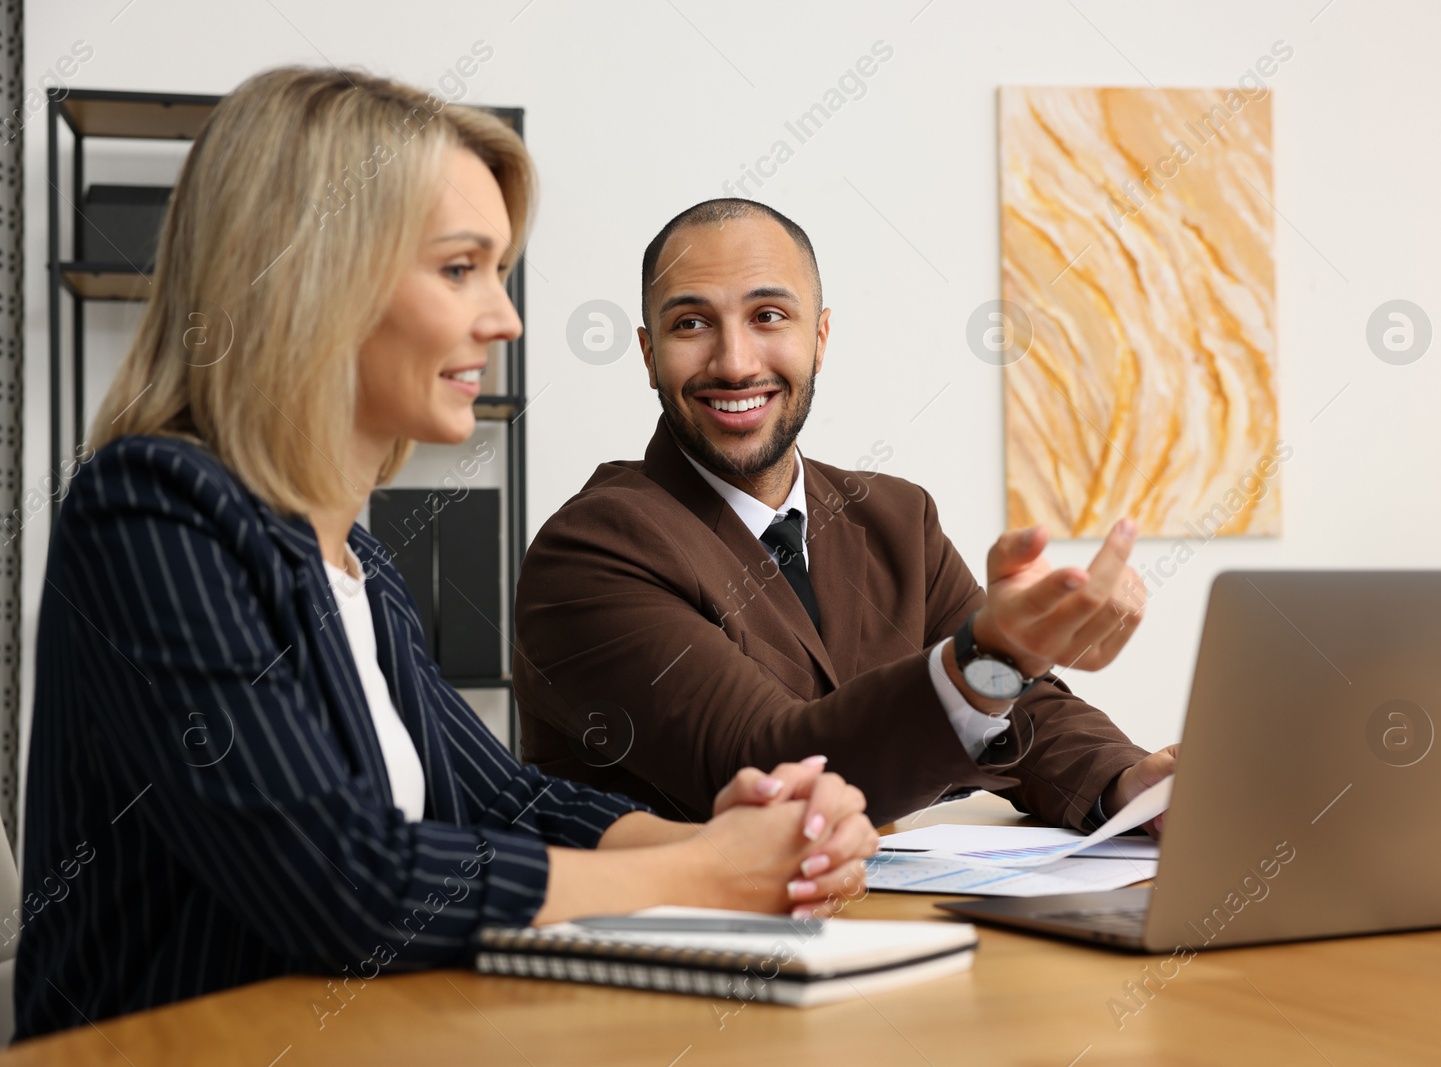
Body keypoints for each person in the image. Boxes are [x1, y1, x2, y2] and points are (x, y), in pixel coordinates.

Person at [14, 72, 874, 1041]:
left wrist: (735, 840)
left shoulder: (360, 567)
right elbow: (339, 879)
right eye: (461, 268)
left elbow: (502, 798)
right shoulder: (149, 510)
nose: (505, 318)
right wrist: (711, 872)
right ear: (313, 273)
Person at [514, 198, 1178, 831]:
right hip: (682, 937)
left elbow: (1015, 708)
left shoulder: (896, 517)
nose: (735, 362)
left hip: (876, 924)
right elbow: (772, 769)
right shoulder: (590, 551)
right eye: (691, 323)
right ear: (649, 353)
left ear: (821, 337)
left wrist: (1125, 784)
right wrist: (995, 655)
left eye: (768, 315)